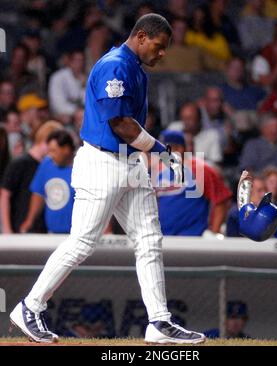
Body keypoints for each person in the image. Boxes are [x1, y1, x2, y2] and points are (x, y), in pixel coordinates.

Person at [10, 14, 206, 344]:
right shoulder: (115, 65)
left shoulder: (135, 69)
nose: (161, 55)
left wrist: (153, 152)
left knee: (149, 241)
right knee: (82, 243)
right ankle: (29, 306)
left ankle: (159, 322)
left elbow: (129, 129)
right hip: (102, 161)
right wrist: (160, 149)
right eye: (158, 47)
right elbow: (120, 124)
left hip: (130, 163)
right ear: (141, 37)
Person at [156, 130, 232, 236]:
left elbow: (221, 200)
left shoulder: (200, 169)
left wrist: (214, 233)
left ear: (179, 149)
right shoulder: (158, 171)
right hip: (164, 238)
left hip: (193, 238)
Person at [0, 121, 62, 233]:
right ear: (46, 141)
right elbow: (4, 196)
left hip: (42, 229)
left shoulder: (49, 166)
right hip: (19, 228)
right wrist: (7, 228)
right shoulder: (19, 163)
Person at [20, 130, 76, 234]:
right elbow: (39, 194)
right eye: (49, 151)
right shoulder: (46, 164)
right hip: (51, 232)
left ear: (66, 150)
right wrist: (29, 220)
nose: (50, 155)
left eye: (54, 151)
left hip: (76, 233)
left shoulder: (81, 167)